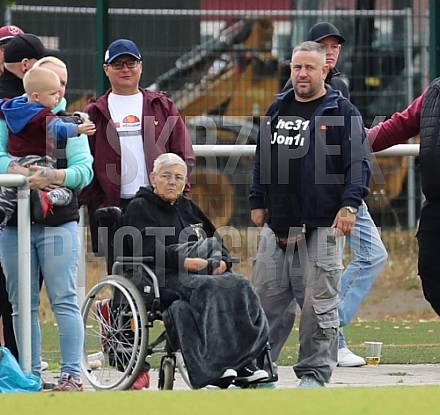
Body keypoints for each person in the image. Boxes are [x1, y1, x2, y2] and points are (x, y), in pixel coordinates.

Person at [250, 41, 371, 387]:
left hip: (323, 224)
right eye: (296, 67)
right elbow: (261, 159)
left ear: (324, 71)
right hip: (278, 224)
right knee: (265, 303)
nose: (302, 74)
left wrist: (350, 205)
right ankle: (259, 371)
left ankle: (314, 375)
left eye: (309, 68)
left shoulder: (342, 112)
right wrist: (257, 200)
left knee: (319, 307)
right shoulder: (277, 109)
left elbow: (359, 164)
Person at [80, 39, 195, 389]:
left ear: (141, 67)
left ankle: (179, 352)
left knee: (166, 279)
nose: (125, 69)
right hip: (115, 211)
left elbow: (183, 154)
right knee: (125, 284)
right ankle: (130, 365)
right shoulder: (94, 112)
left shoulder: (162, 106)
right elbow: (83, 161)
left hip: (157, 207)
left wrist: (178, 194)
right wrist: (99, 203)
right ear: (107, 70)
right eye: (118, 64)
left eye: (131, 63)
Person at [274, 22, 387, 368]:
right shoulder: (300, 90)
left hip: (344, 191)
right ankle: (330, 337)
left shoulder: (338, 84)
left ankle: (331, 333)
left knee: (367, 257)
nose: (331, 52)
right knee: (325, 270)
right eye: (324, 46)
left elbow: (351, 137)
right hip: (328, 196)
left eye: (335, 46)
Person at [123, 153, 269, 389]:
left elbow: (216, 241)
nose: (172, 182)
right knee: (210, 288)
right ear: (153, 177)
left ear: (185, 182)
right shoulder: (139, 207)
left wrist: (223, 262)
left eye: (178, 177)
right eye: (166, 176)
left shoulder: (188, 207)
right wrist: (187, 263)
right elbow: (146, 249)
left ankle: (245, 363)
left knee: (240, 284)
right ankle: (215, 365)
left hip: (203, 270)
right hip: (163, 276)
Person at [0, 55, 94, 392]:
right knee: (21, 303)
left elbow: (84, 170)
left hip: (59, 222)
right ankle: (31, 374)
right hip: (15, 222)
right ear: (35, 87)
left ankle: (71, 374)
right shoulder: (9, 116)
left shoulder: (71, 122)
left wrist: (53, 176)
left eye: (64, 83)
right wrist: (24, 173)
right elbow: (0, 156)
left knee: (63, 298)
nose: (61, 90)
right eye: (55, 82)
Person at [367, 83, 440, 316]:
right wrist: (355, 139)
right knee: (431, 271)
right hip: (436, 202)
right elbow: (400, 125)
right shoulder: (434, 93)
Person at [0, 33, 48, 363]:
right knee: (14, 292)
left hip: (30, 203)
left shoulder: (36, 93)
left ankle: (21, 359)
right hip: (12, 206)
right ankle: (18, 360)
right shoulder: (19, 102)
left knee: (19, 291)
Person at [0, 67, 96, 226]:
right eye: (52, 92)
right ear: (36, 95)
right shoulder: (44, 115)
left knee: (8, 189)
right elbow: (58, 128)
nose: (58, 95)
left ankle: (3, 211)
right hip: (38, 161)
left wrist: (21, 172)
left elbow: (84, 171)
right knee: (64, 191)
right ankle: (50, 197)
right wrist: (78, 129)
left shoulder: (11, 108)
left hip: (16, 160)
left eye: (62, 85)